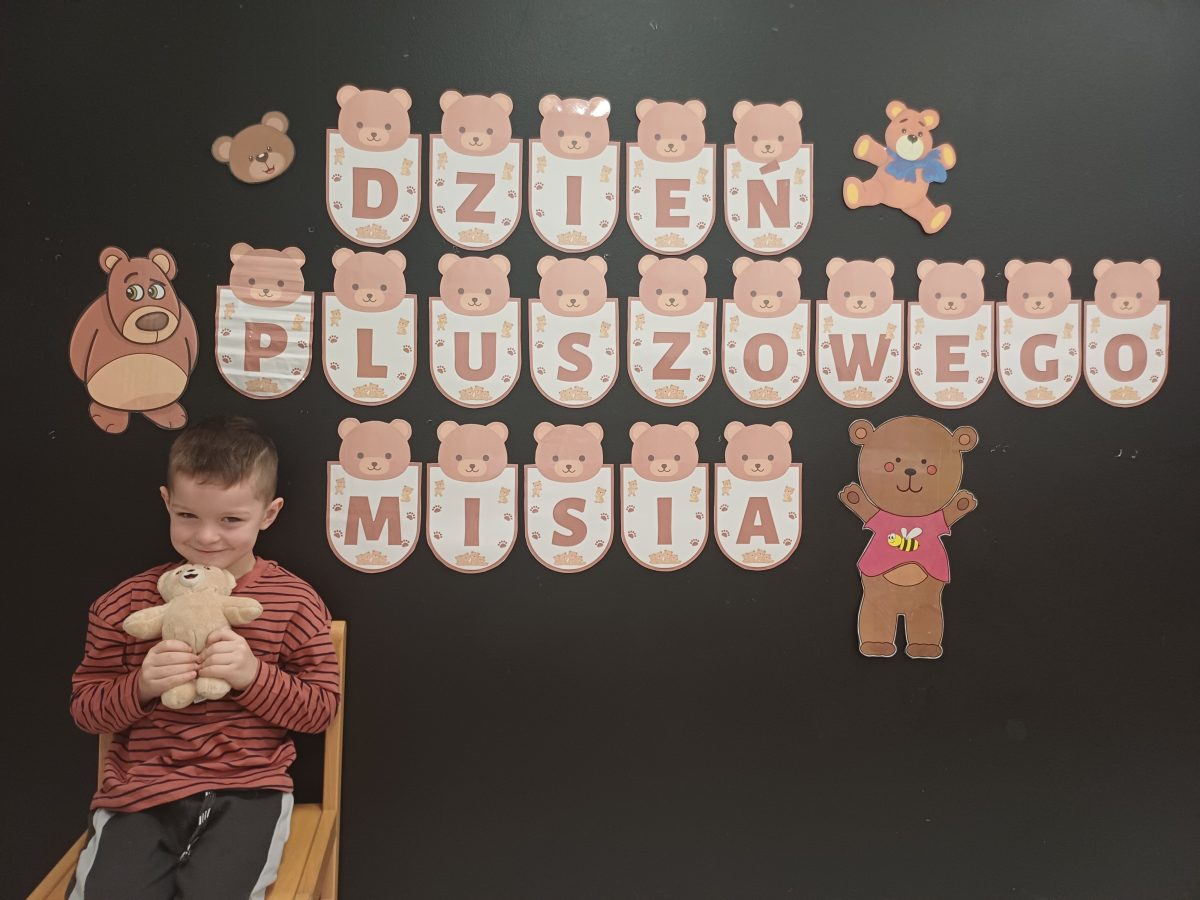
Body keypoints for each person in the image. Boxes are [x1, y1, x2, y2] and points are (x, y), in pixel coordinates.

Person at [67, 415, 340, 899]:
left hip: (249, 791)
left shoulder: (295, 602)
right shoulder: (124, 604)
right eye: (188, 516)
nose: (207, 537)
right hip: (139, 795)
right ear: (167, 502)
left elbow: (320, 711)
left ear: (269, 514)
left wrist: (253, 676)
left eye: (231, 520)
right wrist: (141, 686)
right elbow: (87, 711)